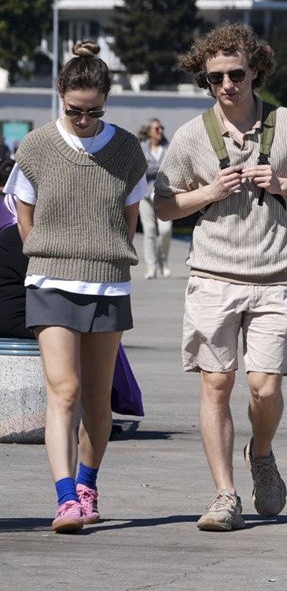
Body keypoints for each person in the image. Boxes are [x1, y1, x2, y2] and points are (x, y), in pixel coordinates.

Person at [154, 22, 287, 531]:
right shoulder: (193, 135)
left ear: (256, 69)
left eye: (236, 74)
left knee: (263, 388)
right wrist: (209, 192)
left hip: (275, 274)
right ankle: (223, 495)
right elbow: (165, 205)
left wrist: (285, 182)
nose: (227, 86)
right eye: (215, 78)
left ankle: (260, 453)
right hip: (213, 273)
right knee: (216, 383)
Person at [3, 41, 147, 533]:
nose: (83, 119)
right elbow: (23, 207)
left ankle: (88, 483)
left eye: (93, 111)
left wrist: (107, 252)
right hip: (49, 280)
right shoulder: (38, 146)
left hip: (108, 284)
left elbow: (130, 218)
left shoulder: (127, 149)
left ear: (105, 102)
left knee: (97, 401)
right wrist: (40, 250)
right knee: (62, 391)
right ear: (59, 95)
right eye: (74, 110)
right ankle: (66, 500)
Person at [137, 118, 173, 279]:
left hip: (165, 194)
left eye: (162, 128)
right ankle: (151, 267)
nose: (160, 131)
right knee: (149, 231)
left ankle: (163, 262)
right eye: (157, 129)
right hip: (145, 195)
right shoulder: (142, 148)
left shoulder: (168, 147)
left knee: (165, 230)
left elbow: (173, 166)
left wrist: (153, 168)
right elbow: (140, 169)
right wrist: (160, 168)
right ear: (149, 132)